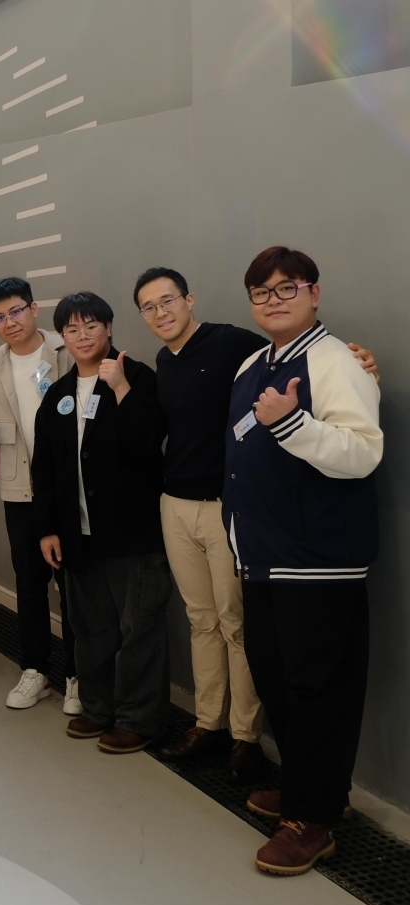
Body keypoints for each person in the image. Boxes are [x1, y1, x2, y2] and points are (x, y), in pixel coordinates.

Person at [135, 267, 379, 783]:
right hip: (192, 509)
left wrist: (360, 366)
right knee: (206, 622)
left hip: (243, 516)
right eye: (149, 307)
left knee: (239, 626)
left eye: (167, 300)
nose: (160, 313)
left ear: (189, 299)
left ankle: (247, 740)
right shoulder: (175, 361)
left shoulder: (235, 346)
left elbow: (300, 365)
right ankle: (210, 724)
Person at [223, 247, 382, 876]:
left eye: (286, 288)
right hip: (264, 558)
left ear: (314, 293)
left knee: (318, 692)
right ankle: (312, 789)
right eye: (261, 292)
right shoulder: (252, 364)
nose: (273, 300)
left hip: (318, 561)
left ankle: (313, 819)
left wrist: (292, 424)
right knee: (279, 681)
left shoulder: (334, 359)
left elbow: (362, 452)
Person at [32, 292, 170, 753]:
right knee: (90, 628)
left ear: (109, 328)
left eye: (91, 326)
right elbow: (45, 468)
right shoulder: (58, 394)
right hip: (78, 534)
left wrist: (121, 388)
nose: (83, 336)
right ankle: (98, 708)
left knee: (139, 629)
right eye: (72, 329)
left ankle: (139, 719)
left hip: (132, 532)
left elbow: (147, 443)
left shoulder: (138, 377)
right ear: (62, 337)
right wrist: (47, 528)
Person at [0, 277, 80, 714]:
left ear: (33, 309)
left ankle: (77, 675)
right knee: (29, 584)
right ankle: (35, 670)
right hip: (21, 491)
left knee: (73, 585)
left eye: (16, 311)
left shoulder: (66, 350)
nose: (9, 322)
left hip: (69, 489)